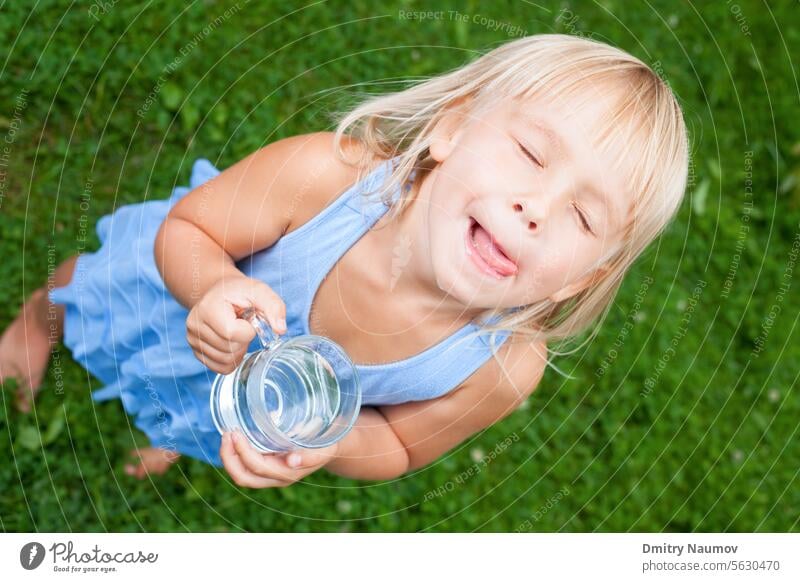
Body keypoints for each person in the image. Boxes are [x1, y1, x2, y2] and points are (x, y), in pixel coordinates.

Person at [0, 34, 688, 488]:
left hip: (256, 402)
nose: (537, 207)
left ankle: (174, 423)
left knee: (197, 407)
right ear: (452, 127)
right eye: (533, 154)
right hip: (164, 294)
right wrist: (211, 284)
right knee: (90, 288)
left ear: (586, 275)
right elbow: (191, 229)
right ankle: (38, 324)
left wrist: (328, 445)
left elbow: (400, 446)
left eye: (584, 218)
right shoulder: (324, 179)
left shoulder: (503, 368)